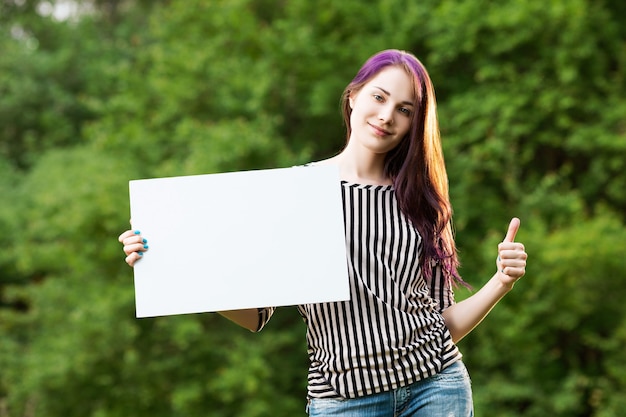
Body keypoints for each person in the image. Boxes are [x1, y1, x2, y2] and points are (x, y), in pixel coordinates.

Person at [118, 49, 527, 416]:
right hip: (344, 402)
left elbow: (444, 325)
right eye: (379, 97)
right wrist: (170, 266)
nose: (387, 116)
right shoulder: (297, 192)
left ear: (413, 124)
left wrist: (500, 283)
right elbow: (256, 315)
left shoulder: (423, 200)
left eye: (405, 109)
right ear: (354, 96)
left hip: (436, 388)